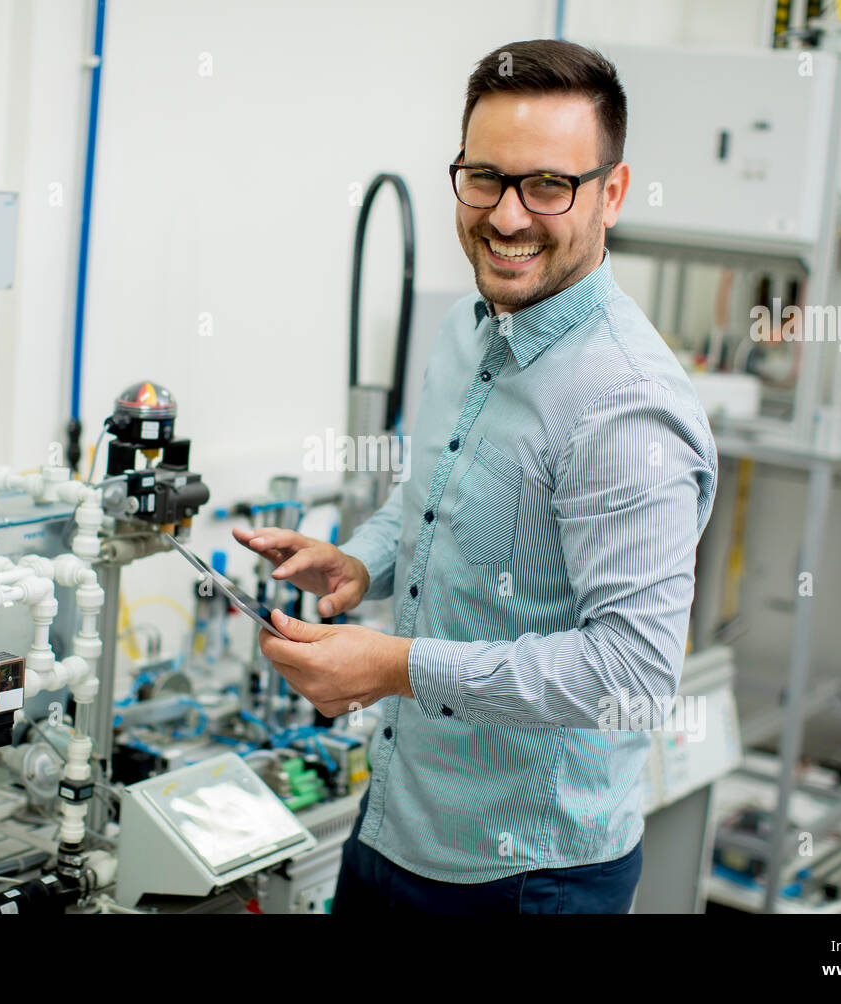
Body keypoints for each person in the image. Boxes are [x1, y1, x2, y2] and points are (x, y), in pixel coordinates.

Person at [233, 38, 717, 914]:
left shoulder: (624, 404)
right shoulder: (468, 326)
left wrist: (397, 668)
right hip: (395, 823)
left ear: (611, 193)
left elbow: (634, 677)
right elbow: (425, 502)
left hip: (527, 876)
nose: (506, 216)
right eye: (484, 178)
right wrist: (362, 563)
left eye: (547, 186)